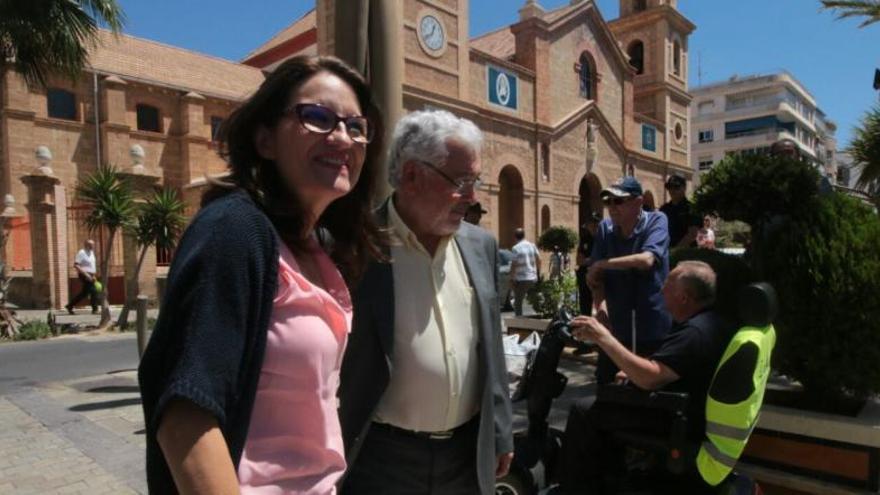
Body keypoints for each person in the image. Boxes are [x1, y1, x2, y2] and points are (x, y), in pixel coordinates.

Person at [138, 55, 386, 494]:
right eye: (318, 117)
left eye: (356, 126)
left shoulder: (312, 248)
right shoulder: (234, 229)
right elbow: (185, 417)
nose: (343, 137)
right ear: (265, 139)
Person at [339, 109, 514, 495]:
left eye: (476, 180)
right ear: (412, 176)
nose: (472, 198)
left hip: (464, 455)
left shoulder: (480, 244)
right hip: (382, 459)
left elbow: (491, 346)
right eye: (462, 181)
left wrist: (501, 430)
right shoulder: (357, 245)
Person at [558, 261, 737, 494]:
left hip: (675, 415)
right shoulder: (710, 323)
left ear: (684, 297)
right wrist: (634, 370)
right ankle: (613, 479)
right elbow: (668, 365)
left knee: (584, 411)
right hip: (684, 407)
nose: (661, 290)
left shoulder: (694, 333)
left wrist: (604, 338)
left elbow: (651, 378)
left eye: (668, 285)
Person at [587, 176, 671, 384]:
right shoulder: (605, 230)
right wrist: (600, 307)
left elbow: (647, 259)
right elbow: (597, 280)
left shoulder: (657, 220)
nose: (612, 207)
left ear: (638, 202)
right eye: (608, 202)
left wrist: (602, 264)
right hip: (617, 325)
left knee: (647, 389)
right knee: (607, 385)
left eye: (618, 201)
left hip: (652, 323)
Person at [659, 174, 700, 249]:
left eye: (676, 187)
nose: (672, 190)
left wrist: (675, 250)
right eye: (669, 187)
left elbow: (692, 234)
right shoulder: (664, 209)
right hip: (667, 251)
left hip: (687, 252)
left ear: (684, 188)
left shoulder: (691, 208)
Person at [511, 227, 541, 316]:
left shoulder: (515, 248)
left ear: (515, 237)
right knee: (536, 299)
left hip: (522, 279)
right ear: (524, 235)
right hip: (532, 277)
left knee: (518, 302)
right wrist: (538, 273)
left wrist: (512, 278)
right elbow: (539, 259)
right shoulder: (532, 245)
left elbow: (514, 264)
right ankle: (539, 316)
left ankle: (518, 321)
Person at [576, 213, 601, 316]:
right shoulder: (585, 239)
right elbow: (579, 260)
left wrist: (590, 261)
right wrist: (592, 261)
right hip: (584, 273)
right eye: (590, 224)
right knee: (585, 301)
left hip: (599, 274)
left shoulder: (603, 239)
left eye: (595, 223)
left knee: (601, 301)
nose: (593, 226)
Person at [65, 239, 98, 315]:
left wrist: (93, 275)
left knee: (84, 293)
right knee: (94, 291)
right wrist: (86, 274)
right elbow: (76, 265)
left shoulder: (92, 253)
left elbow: (91, 265)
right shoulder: (81, 252)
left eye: (93, 244)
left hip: (91, 274)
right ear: (86, 245)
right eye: (91, 244)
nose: (93, 246)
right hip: (84, 275)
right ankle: (95, 309)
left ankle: (70, 306)